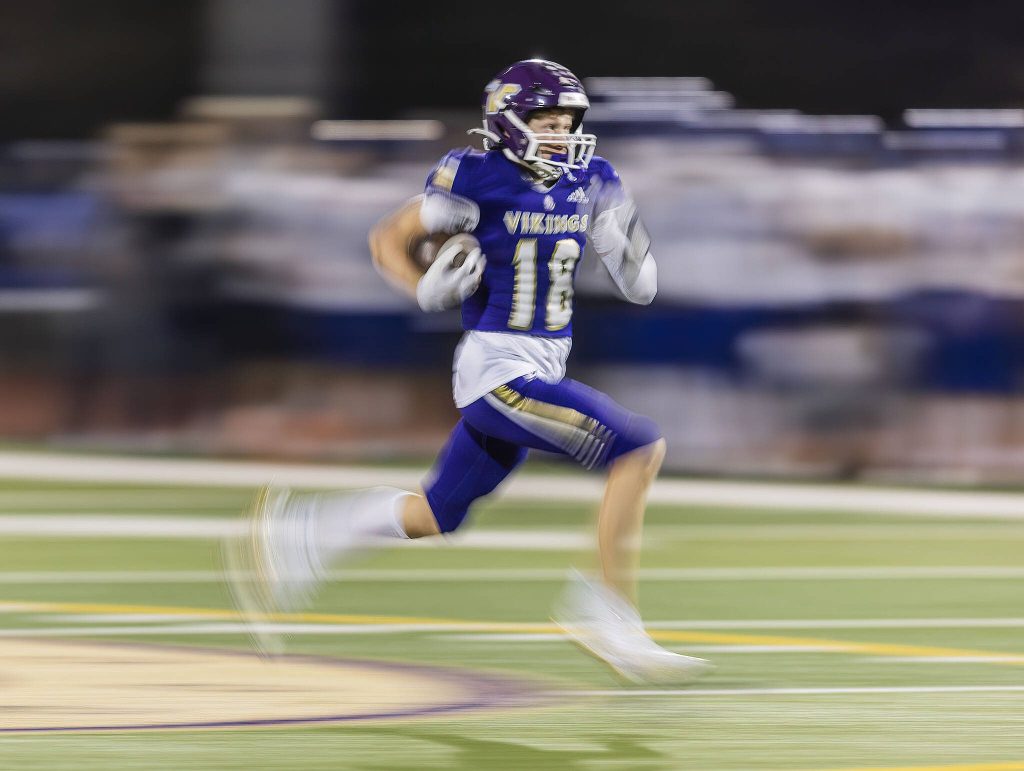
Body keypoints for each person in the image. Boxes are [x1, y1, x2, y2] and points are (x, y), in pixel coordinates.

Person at [227, 59, 711, 685]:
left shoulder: (592, 179)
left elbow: (642, 286)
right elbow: (386, 239)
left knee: (436, 513)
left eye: (568, 120)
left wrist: (625, 242)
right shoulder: (474, 177)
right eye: (547, 119)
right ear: (510, 123)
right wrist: (422, 288)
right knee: (639, 446)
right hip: (498, 371)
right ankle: (609, 614)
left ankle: (303, 534)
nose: (562, 132)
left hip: (538, 363)